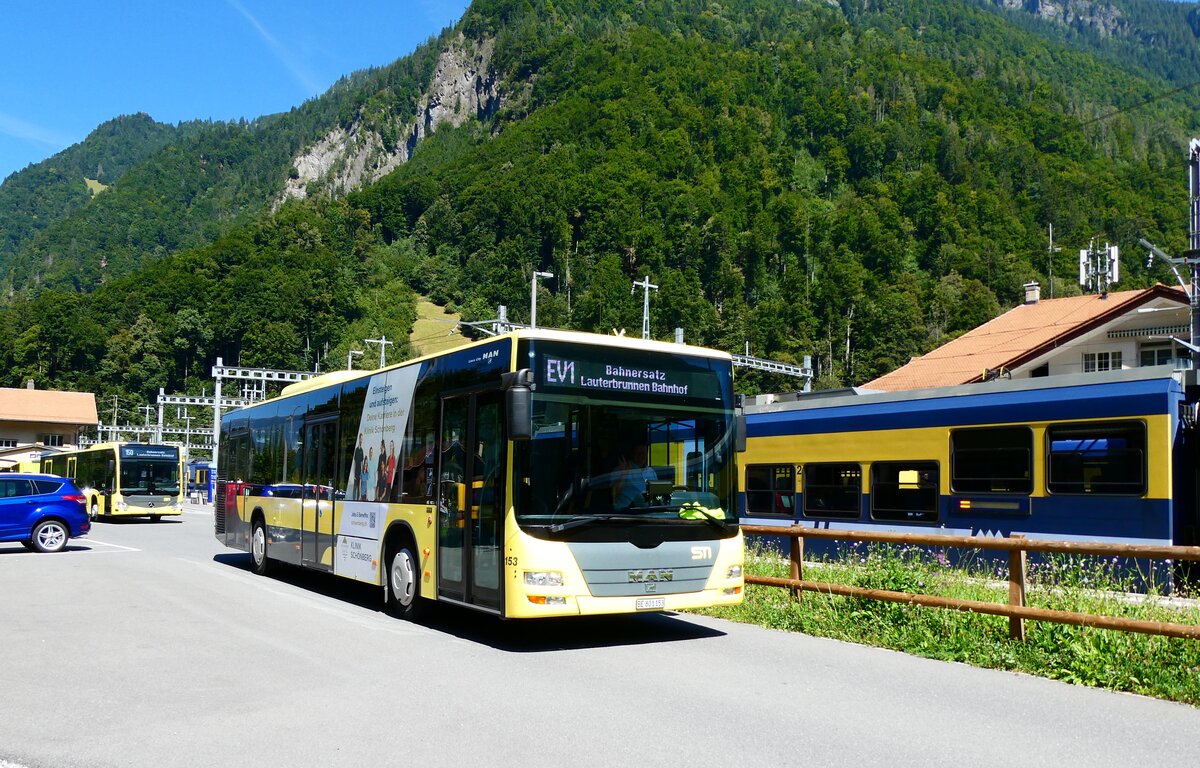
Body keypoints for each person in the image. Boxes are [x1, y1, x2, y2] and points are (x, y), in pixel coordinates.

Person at [612, 443, 656, 510]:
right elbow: (613, 494)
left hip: (647, 512)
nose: (641, 455)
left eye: (643, 453)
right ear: (632, 454)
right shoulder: (620, 469)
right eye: (638, 453)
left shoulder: (651, 471)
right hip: (624, 514)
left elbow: (657, 493)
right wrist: (624, 474)